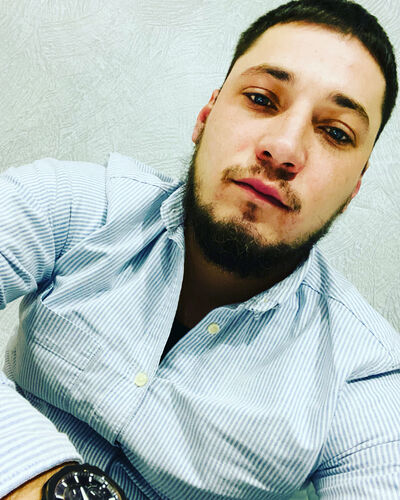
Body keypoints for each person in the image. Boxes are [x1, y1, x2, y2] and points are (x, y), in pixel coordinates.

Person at [1, 0, 399, 498]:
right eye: (261, 99)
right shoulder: (75, 203)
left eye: (336, 133)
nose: (283, 149)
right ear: (205, 118)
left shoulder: (365, 371)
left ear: (355, 187)